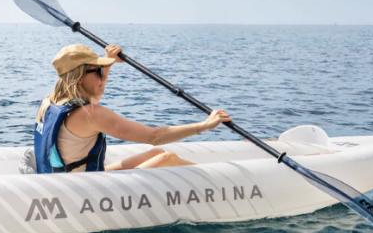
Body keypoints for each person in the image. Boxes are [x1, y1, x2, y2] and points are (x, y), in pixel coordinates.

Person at [34, 44, 231, 173]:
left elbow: (92, 95)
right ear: (79, 79)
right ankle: (220, 182)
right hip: (85, 187)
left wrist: (107, 63)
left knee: (156, 155)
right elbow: (154, 136)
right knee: (167, 157)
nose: (102, 76)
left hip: (66, 178)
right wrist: (205, 125)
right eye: (98, 71)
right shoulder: (91, 114)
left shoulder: (49, 103)